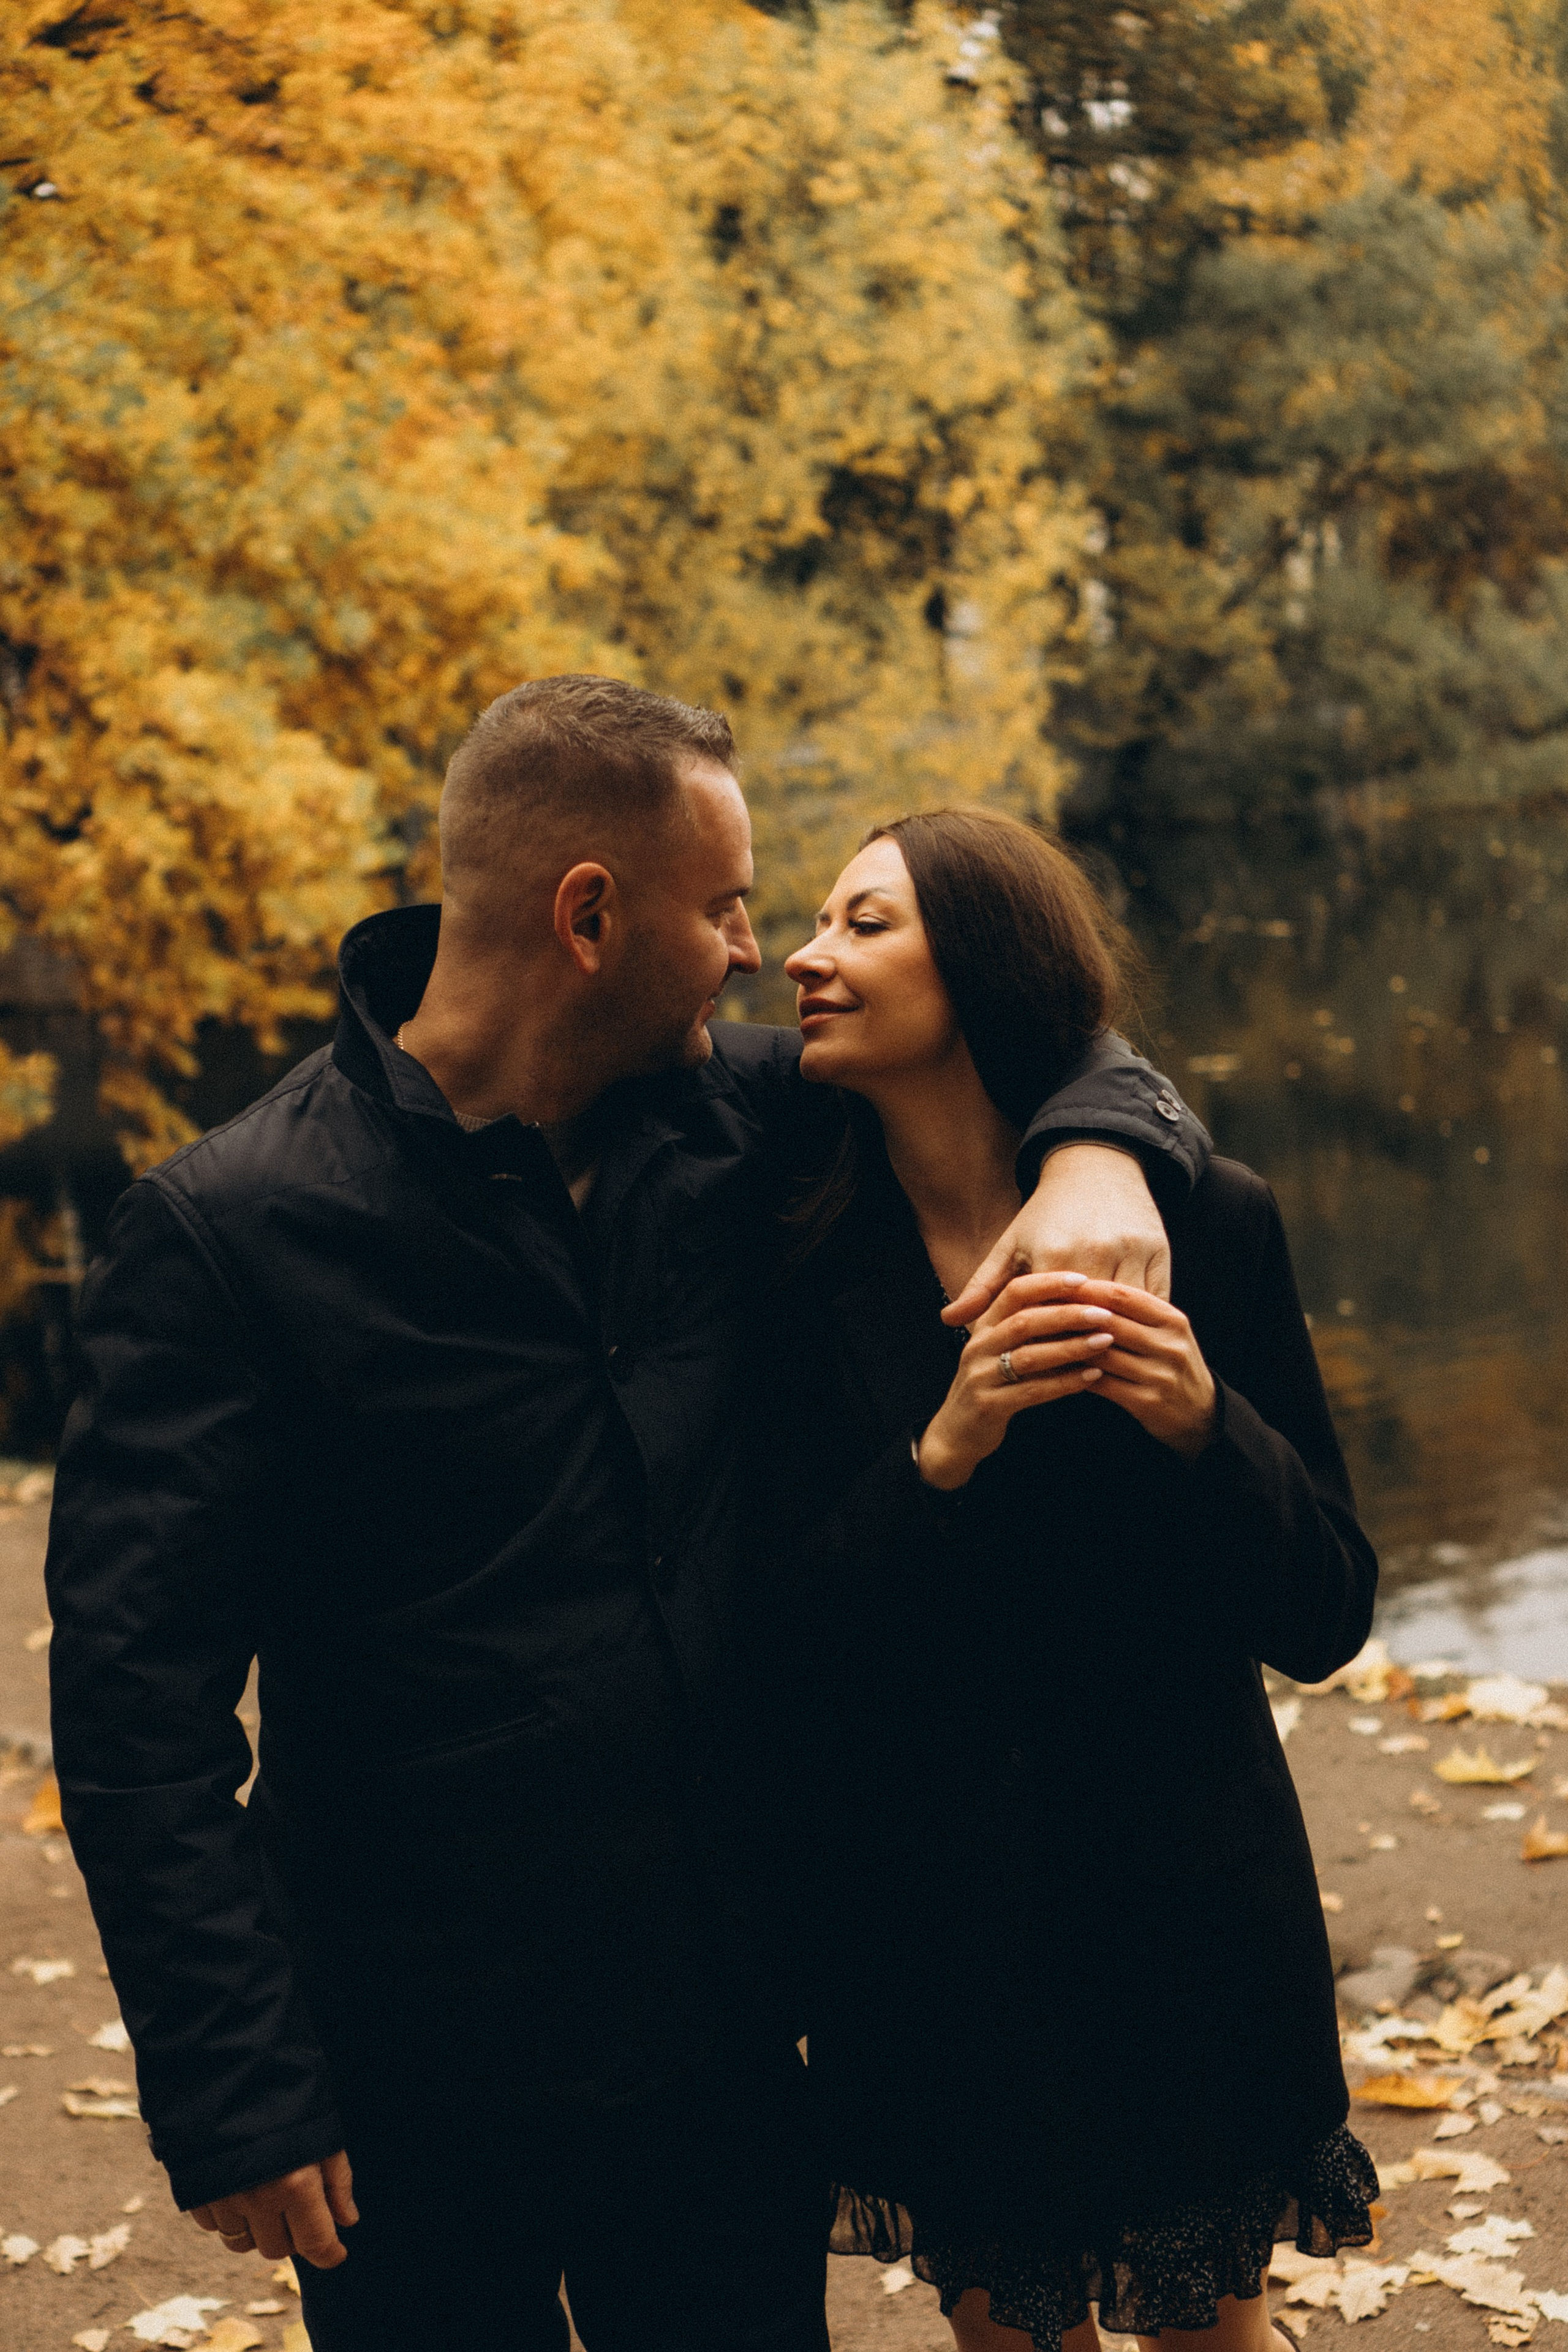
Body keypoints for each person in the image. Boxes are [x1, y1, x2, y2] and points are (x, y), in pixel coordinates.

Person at [44, 679, 1210, 2352]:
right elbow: (135, 1711)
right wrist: (234, 2086)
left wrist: (1101, 1153)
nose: (752, 952)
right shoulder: (228, 1232)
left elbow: (1030, 1033)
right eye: (724, 906)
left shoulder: (746, 1121)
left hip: (720, 2044)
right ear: (588, 916)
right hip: (409, 2070)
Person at [768, 808, 1380, 2352]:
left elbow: (1325, 1613)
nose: (801, 956)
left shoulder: (1207, 1222)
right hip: (933, 1928)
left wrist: (1202, 1423)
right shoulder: (787, 1252)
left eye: (860, 923)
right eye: (815, 921)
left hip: (1182, 1908)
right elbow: (788, 1639)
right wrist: (940, 1451)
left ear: (980, 966)